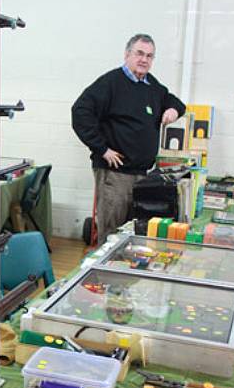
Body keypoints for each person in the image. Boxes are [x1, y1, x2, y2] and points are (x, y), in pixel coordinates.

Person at [71, 33, 185, 245]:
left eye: (149, 56)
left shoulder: (150, 85)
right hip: (116, 174)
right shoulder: (111, 83)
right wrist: (102, 149)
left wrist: (173, 110)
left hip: (142, 174)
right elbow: (80, 112)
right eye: (139, 53)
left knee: (132, 235)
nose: (144, 59)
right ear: (127, 54)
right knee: (112, 235)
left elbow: (175, 101)